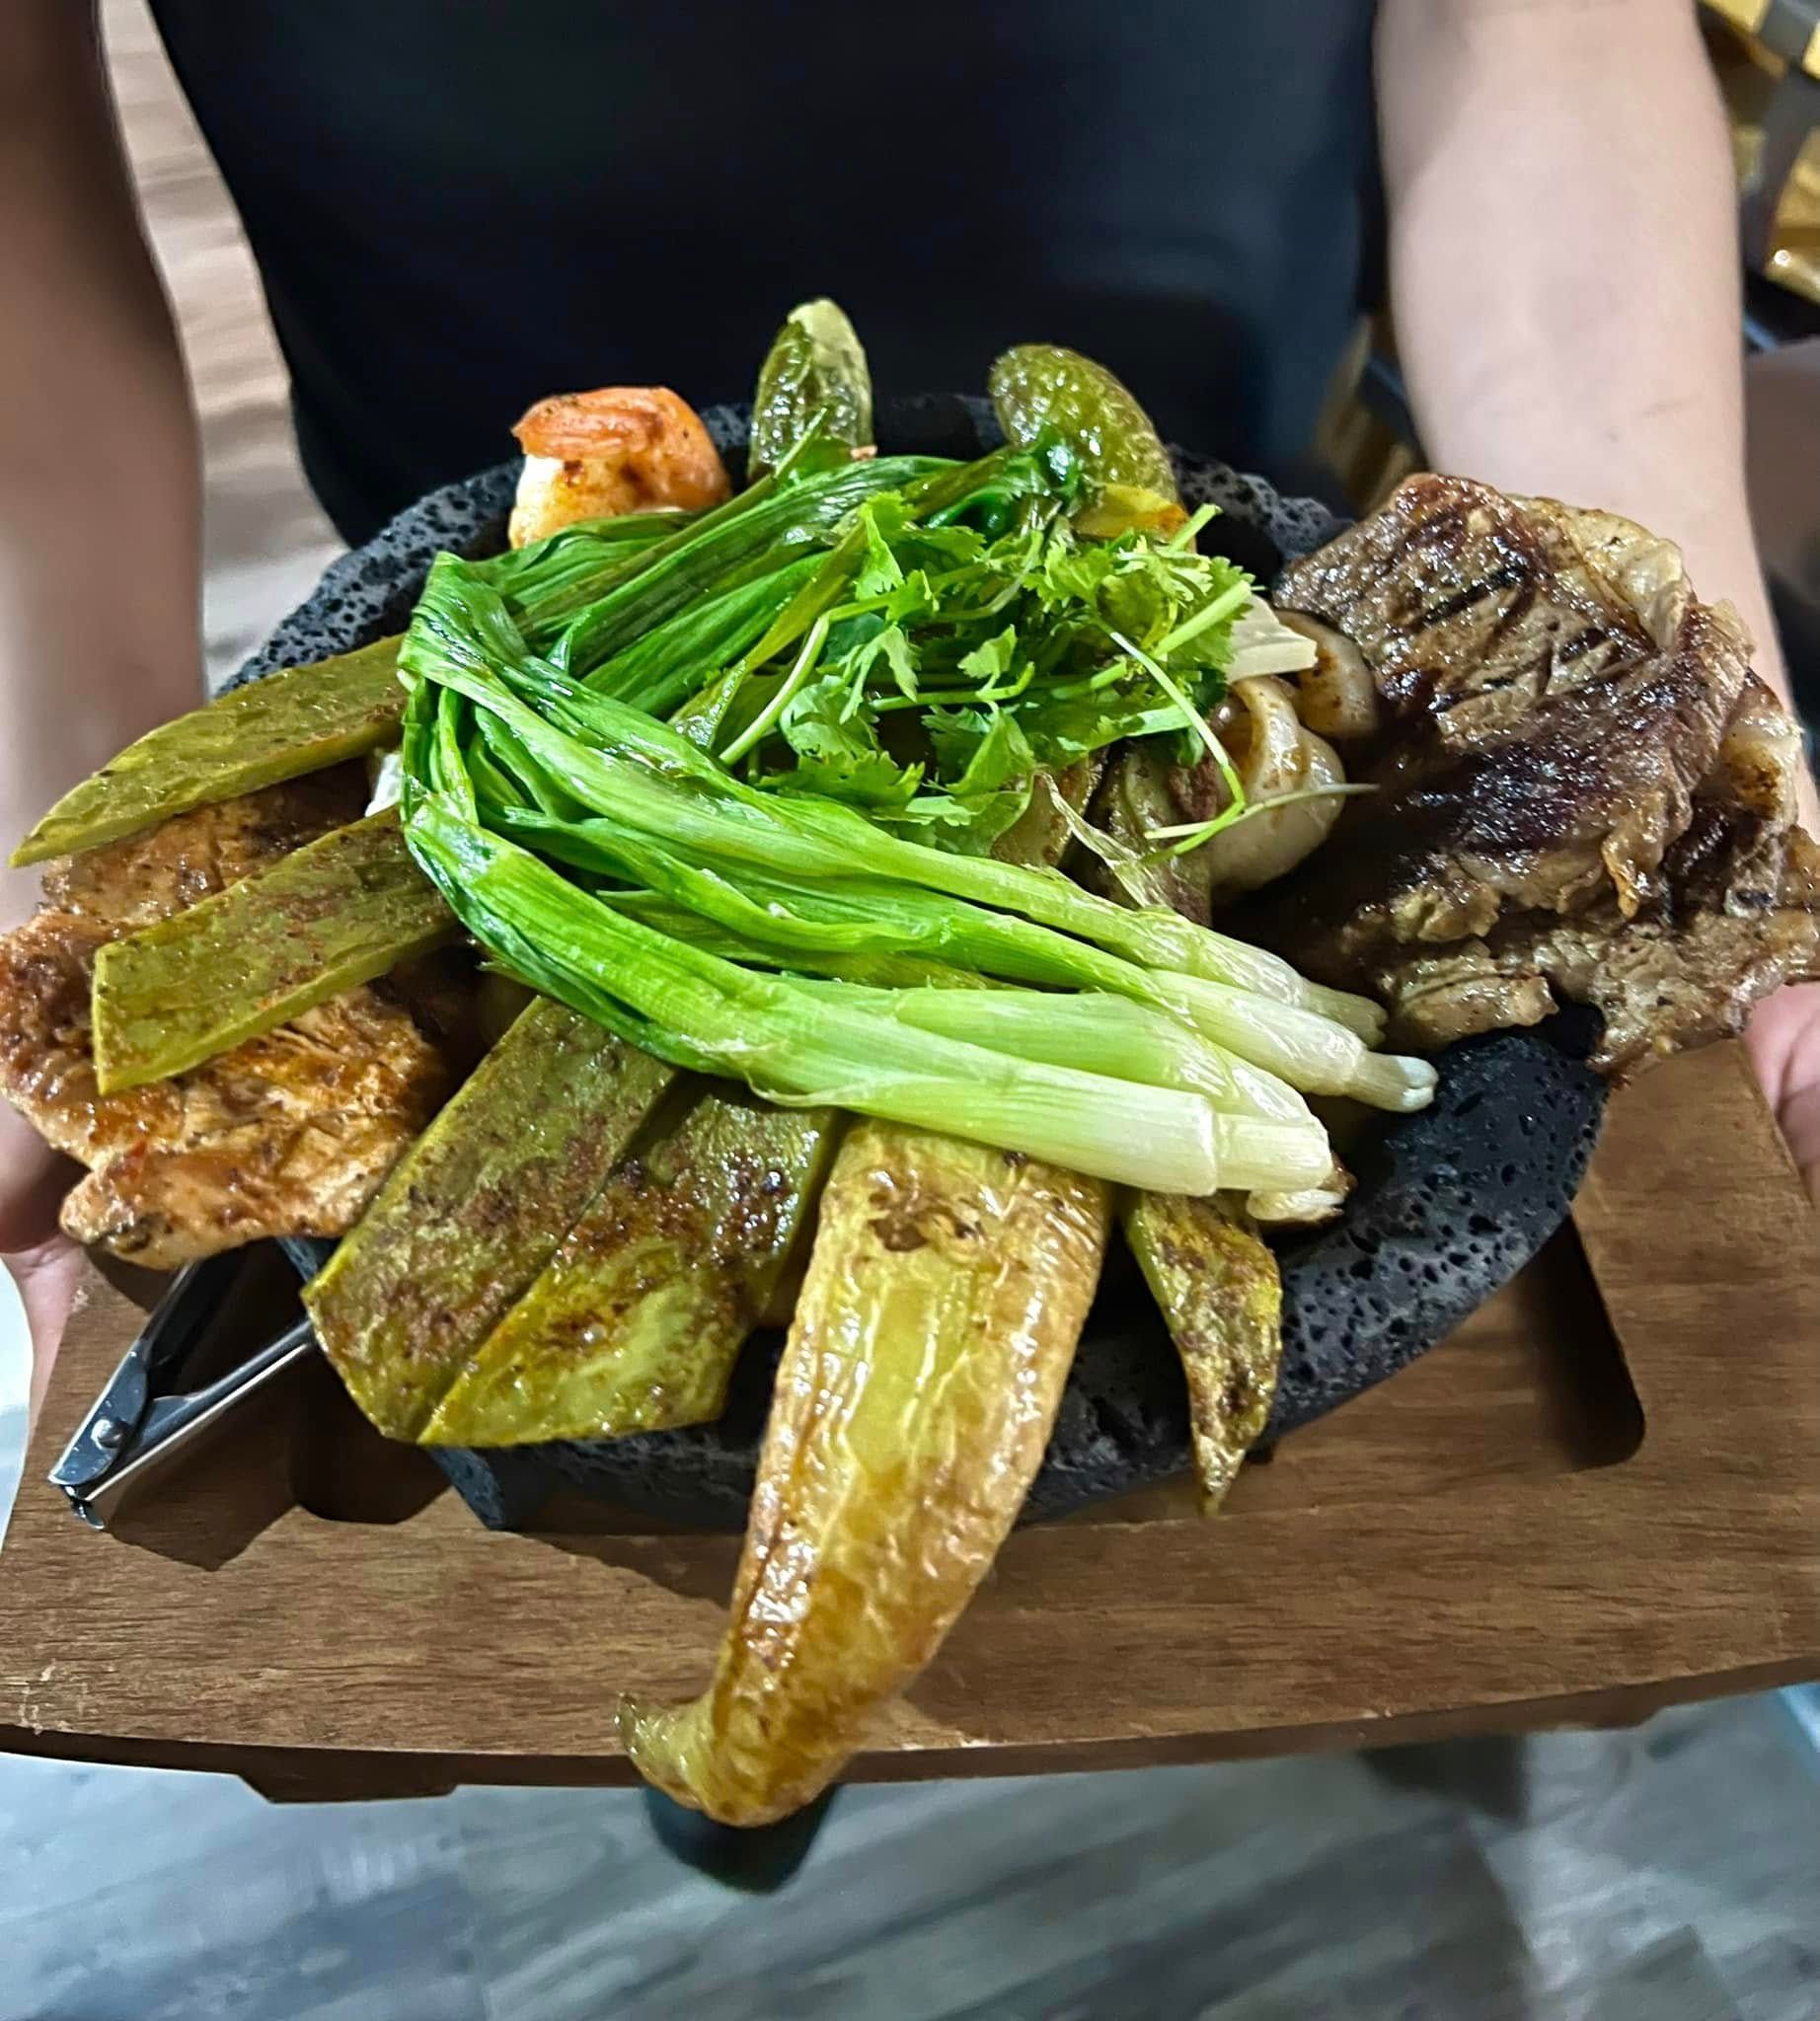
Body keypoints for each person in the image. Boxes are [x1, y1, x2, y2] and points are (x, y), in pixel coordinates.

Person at [3, 0, 1815, 1426]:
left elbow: (1539, 22)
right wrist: (57, 867)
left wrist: (1692, 742)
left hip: (1188, 540)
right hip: (508, 546)